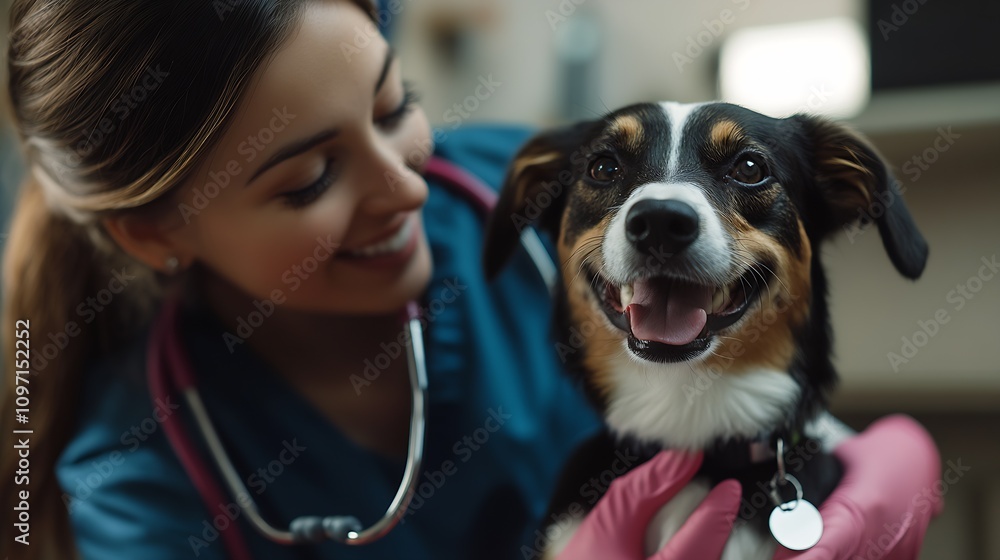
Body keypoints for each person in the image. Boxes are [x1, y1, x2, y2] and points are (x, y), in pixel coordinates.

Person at [0, 1, 941, 559]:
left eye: (392, 105)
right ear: (157, 232)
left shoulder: (518, 186)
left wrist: (878, 465)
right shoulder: (141, 480)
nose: (406, 186)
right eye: (310, 179)